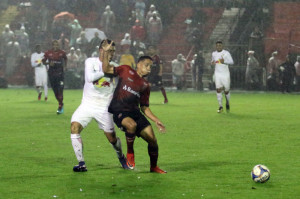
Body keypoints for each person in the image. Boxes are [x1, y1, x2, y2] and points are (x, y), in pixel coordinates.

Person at [70, 39, 131, 172]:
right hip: (87, 104)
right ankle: (81, 163)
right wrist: (105, 69)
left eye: (113, 51)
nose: (112, 53)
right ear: (101, 50)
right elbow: (90, 78)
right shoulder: (90, 62)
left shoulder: (115, 66)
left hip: (104, 107)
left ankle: (121, 156)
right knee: (74, 128)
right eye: (109, 50)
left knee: (112, 139)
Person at [103, 50, 167, 174]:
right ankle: (130, 154)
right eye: (147, 65)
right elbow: (106, 69)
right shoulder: (126, 70)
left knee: (153, 140)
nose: (149, 69)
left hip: (135, 112)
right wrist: (105, 53)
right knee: (131, 125)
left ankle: (153, 167)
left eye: (151, 67)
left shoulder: (145, 85)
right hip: (119, 111)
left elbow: (144, 107)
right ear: (138, 64)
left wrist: (156, 120)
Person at [42, 40, 67, 114]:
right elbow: (43, 61)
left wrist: (65, 67)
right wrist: (49, 63)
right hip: (52, 74)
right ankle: (61, 103)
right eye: (54, 45)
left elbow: (65, 59)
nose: (55, 46)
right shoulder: (48, 53)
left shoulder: (62, 52)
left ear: (59, 45)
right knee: (55, 91)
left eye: (57, 45)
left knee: (60, 90)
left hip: (60, 74)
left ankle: (60, 106)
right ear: (52, 45)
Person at [211, 40, 234, 113]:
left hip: (225, 74)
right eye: (217, 45)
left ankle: (227, 102)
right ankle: (220, 106)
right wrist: (212, 63)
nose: (218, 47)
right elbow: (214, 61)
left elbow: (231, 62)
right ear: (216, 46)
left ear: (222, 46)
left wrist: (224, 62)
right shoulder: (214, 54)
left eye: (220, 45)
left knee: (226, 90)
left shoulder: (226, 53)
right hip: (217, 74)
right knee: (218, 89)